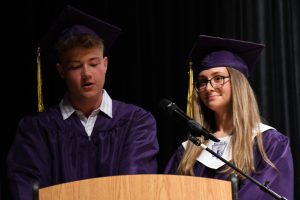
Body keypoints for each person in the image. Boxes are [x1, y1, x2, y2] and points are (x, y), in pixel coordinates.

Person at [6, 5, 159, 200]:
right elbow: (26, 190)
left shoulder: (136, 122)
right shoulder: (37, 130)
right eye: (76, 66)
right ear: (61, 71)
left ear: (105, 64)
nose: (86, 74)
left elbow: (134, 187)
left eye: (93, 64)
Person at [164, 35, 294, 200]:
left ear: (238, 83)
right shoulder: (188, 150)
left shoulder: (268, 143)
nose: (208, 88)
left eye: (218, 78)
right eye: (203, 82)